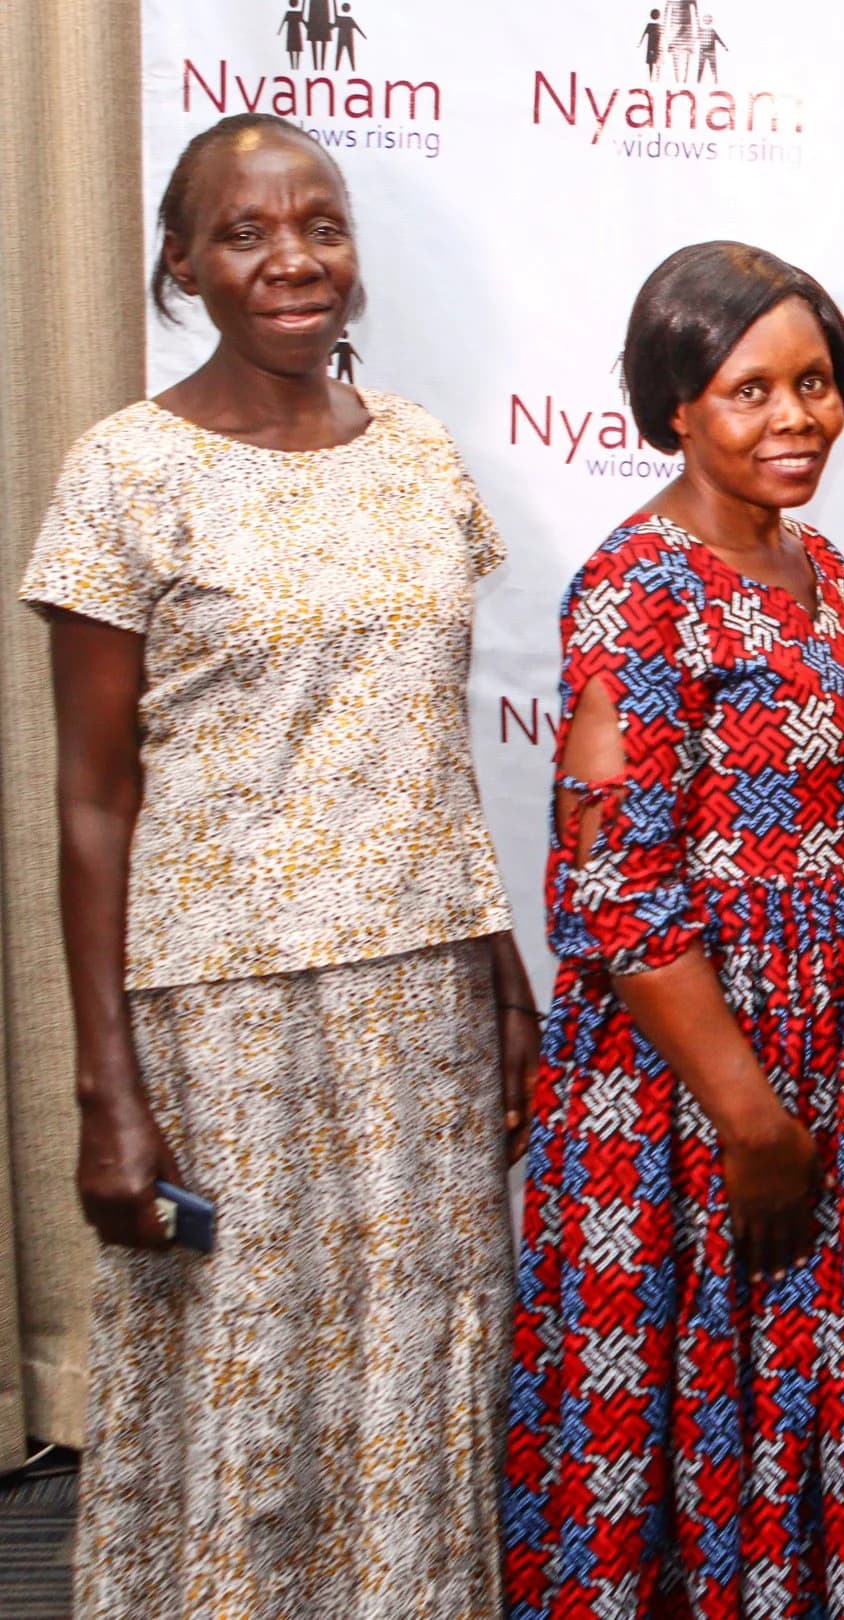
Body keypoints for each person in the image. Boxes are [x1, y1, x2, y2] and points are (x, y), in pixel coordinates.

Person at [28, 112, 525, 1617]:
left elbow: (427, 743)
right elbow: (94, 802)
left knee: (423, 1356)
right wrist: (108, 1087)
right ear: (181, 262)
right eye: (245, 231)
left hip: (423, 1002)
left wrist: (501, 970)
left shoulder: (421, 451)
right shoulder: (125, 472)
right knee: (240, 1370)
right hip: (226, 1014)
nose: (293, 257)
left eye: (319, 222)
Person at [502, 242, 844, 1619]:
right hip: (685, 1086)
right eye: (751, 391)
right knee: (662, 1437)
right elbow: (620, 891)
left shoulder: (830, 570)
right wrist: (751, 1118)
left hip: (826, 1055)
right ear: (676, 405)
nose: (798, 418)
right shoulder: (638, 588)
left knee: (799, 1412)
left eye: (818, 382)